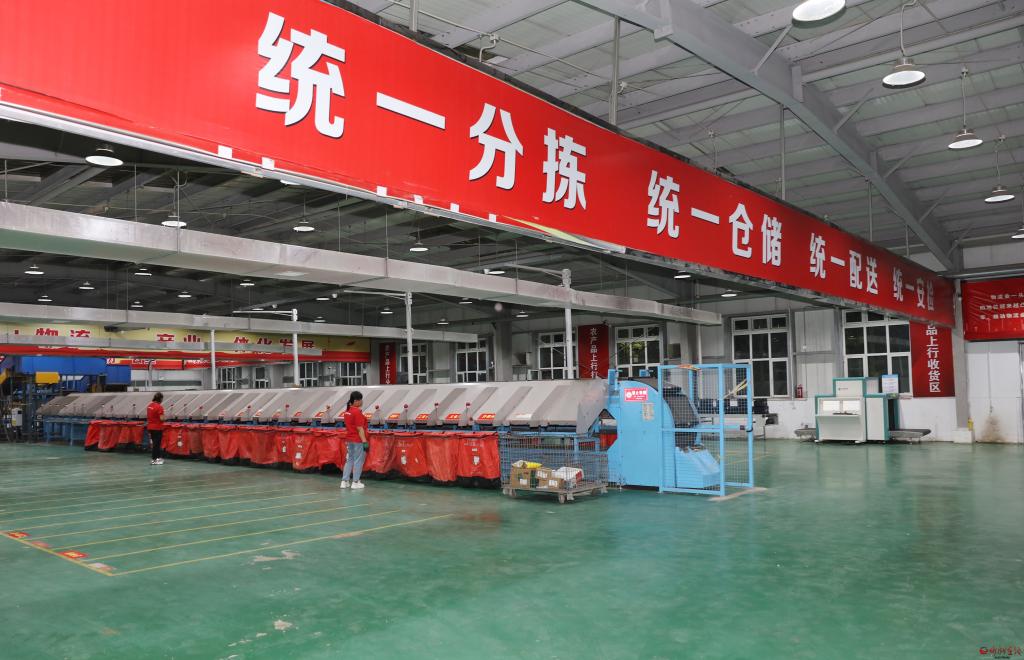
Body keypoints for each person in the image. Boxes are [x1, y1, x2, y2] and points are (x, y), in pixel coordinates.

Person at [340, 391, 368, 489]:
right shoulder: (357, 412)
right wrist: (364, 441)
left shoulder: (347, 411)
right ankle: (355, 482)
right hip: (358, 440)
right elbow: (360, 429)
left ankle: (344, 481)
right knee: (358, 461)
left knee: (350, 460)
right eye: (361, 400)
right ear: (356, 401)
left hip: (349, 439)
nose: (362, 401)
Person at [147, 392, 165, 466]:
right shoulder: (159, 407)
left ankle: (158, 458)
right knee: (156, 444)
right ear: (160, 399)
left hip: (150, 427)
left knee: (155, 443)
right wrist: (164, 418)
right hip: (157, 428)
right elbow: (162, 418)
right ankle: (154, 459)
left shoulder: (149, 406)